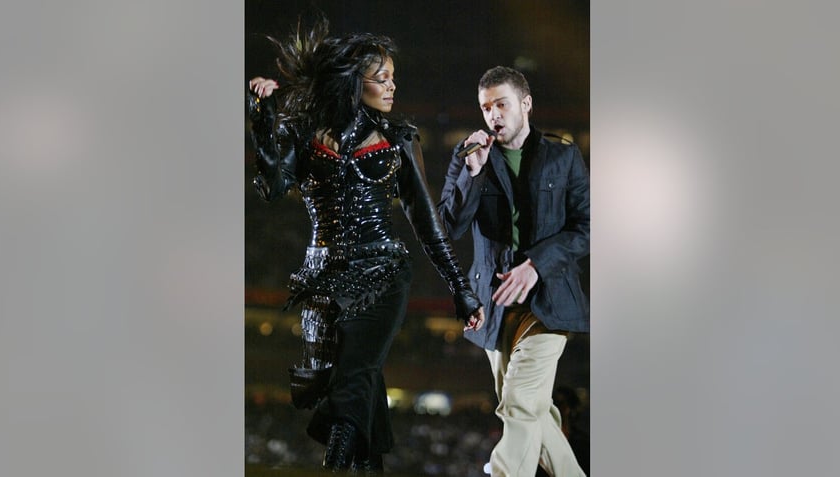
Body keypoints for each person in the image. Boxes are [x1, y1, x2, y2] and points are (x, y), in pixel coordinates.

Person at [246, 18, 484, 474]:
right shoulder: (303, 131)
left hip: (383, 277)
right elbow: (272, 186)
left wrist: (460, 288)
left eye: (394, 77)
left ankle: (331, 470)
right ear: (355, 83)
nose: (393, 87)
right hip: (323, 279)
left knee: (352, 381)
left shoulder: (399, 139)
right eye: (382, 79)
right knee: (357, 386)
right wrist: (262, 117)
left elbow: (427, 223)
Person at [438, 66, 589, 477]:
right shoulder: (469, 157)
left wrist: (536, 264)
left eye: (501, 104)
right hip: (495, 306)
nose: (493, 115)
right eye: (486, 107)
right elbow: (448, 227)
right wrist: (473, 173)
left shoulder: (563, 155)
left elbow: (588, 227)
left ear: (525, 104)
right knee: (534, 414)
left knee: (520, 401)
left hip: (549, 302)